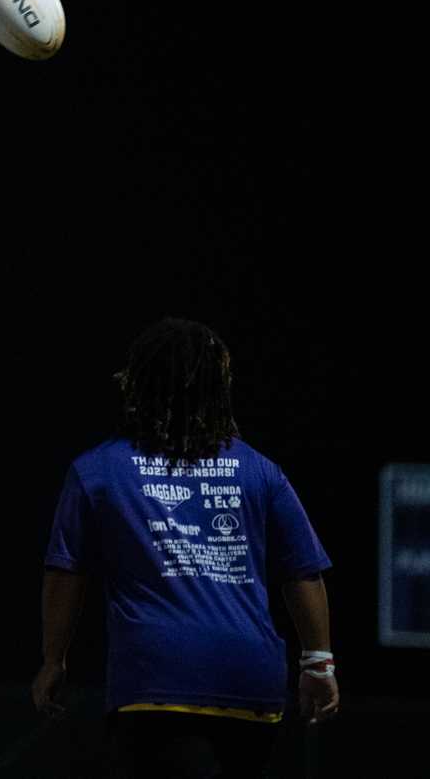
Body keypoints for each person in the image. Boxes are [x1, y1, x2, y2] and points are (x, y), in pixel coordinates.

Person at [34, 318, 339, 777]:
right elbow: (302, 572)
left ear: (137, 385)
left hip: (155, 680)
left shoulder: (96, 471)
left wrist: (53, 660)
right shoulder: (261, 471)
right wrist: (319, 663)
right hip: (251, 682)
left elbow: (66, 571)